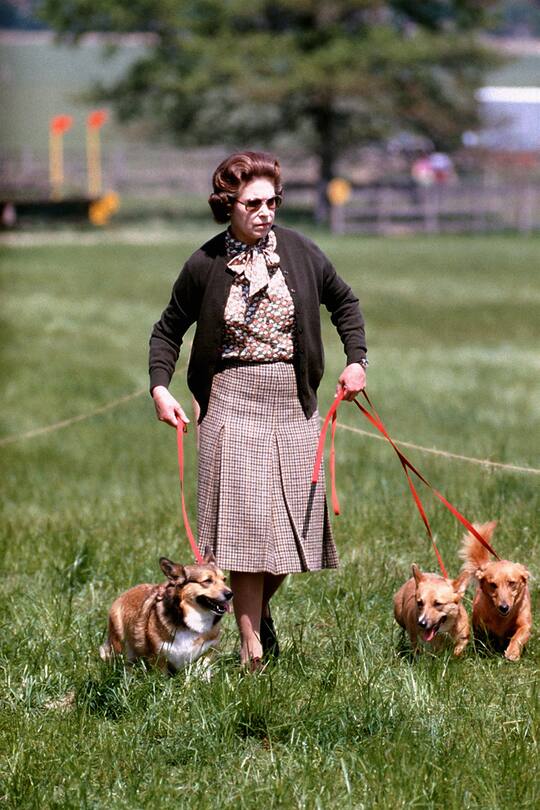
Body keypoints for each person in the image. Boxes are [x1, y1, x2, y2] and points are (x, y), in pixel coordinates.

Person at [149, 151, 367, 670]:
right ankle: (253, 652)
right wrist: (161, 388)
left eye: (272, 201)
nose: (265, 211)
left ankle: (255, 612)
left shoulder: (302, 252)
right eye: (253, 203)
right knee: (247, 531)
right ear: (229, 205)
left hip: (294, 400)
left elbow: (346, 304)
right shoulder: (204, 265)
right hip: (231, 401)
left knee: (290, 534)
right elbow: (167, 331)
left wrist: (356, 361)